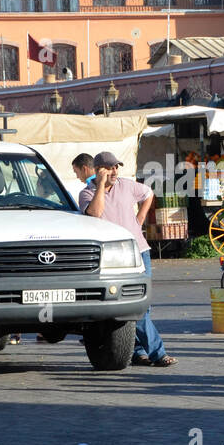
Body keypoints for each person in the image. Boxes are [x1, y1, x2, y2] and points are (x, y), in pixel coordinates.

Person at [80, 151, 175, 367]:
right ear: (98, 170)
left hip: (139, 251)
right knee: (134, 307)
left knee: (143, 305)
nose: (115, 172)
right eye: (110, 168)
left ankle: (138, 351)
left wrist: (140, 218)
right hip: (114, 259)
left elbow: (148, 193)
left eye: (116, 167)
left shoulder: (127, 185)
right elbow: (95, 212)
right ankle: (158, 353)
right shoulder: (87, 193)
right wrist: (101, 185)